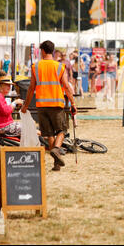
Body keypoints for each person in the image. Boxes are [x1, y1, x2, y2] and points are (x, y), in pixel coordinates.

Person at [21, 40, 77, 172]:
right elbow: (67, 87)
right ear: (52, 51)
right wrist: (73, 103)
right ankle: (57, 149)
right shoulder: (59, 67)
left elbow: (31, 88)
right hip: (56, 104)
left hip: (41, 105)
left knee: (50, 134)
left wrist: (25, 105)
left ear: (43, 51)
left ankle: (56, 164)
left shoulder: (35, 67)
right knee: (62, 131)